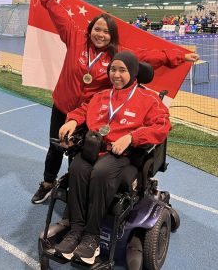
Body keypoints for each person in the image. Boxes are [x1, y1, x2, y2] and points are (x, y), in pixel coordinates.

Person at [30, 0, 198, 204]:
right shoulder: (76, 39)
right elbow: (60, 16)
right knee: (56, 147)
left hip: (87, 114)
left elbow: (149, 57)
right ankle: (48, 183)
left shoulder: (117, 54)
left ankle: (72, 188)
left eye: (106, 32)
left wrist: (180, 56)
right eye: (97, 29)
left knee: (79, 153)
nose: (100, 34)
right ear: (90, 30)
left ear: (112, 36)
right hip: (62, 107)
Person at [54, 51, 171, 265]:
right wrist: (72, 120)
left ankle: (92, 237)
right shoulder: (101, 96)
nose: (116, 75)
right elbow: (84, 109)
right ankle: (76, 230)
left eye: (122, 70)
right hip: (95, 148)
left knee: (101, 172)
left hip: (123, 154)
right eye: (113, 70)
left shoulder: (149, 99)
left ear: (134, 72)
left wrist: (132, 136)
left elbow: (162, 126)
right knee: (78, 168)